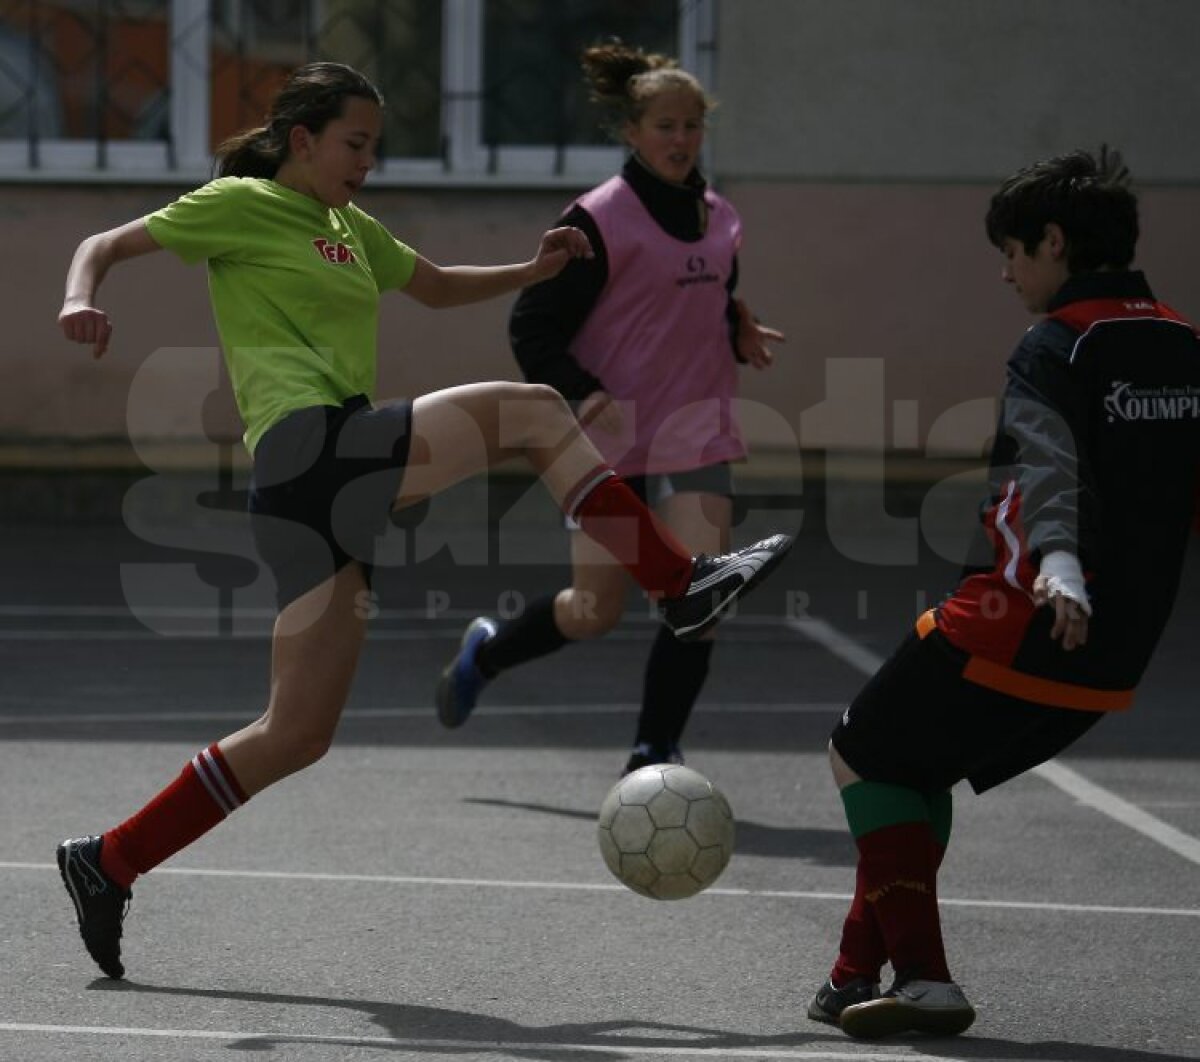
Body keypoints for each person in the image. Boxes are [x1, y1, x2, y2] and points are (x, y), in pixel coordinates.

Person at [53, 61, 794, 981]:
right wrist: (80, 297)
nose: (367, 161)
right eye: (355, 144)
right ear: (303, 140)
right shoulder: (243, 203)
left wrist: (533, 269)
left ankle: (109, 860)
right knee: (536, 411)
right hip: (309, 447)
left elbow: (436, 285)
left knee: (296, 733)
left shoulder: (347, 226)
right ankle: (678, 583)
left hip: (311, 492)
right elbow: (104, 243)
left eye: (375, 146)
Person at [807, 147, 1200, 1039]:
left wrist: (1060, 562)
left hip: (1029, 613)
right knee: (913, 766)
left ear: (1054, 242)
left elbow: (1045, 463)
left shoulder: (1059, 343)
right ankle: (851, 974)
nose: (1006, 272)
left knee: (859, 750)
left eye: (1013, 252)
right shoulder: (1184, 343)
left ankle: (926, 981)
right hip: (1121, 650)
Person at [433, 42, 785, 775]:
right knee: (594, 611)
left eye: (692, 126)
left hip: (699, 430)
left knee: (702, 601)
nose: (681, 140)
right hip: (611, 439)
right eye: (665, 126)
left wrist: (737, 327)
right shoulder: (598, 219)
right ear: (631, 131)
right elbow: (533, 327)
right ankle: (486, 654)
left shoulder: (720, 218)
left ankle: (652, 751)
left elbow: (706, 295)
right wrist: (579, 389)